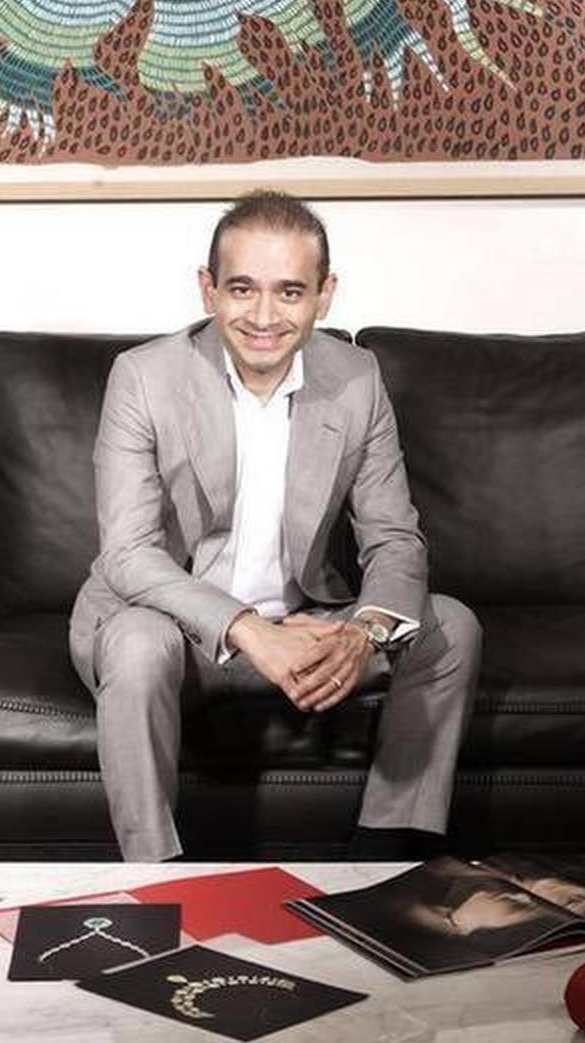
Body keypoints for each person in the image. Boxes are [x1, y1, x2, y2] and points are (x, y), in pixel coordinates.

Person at [68, 190, 482, 863]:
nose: (264, 316)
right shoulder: (143, 377)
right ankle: (158, 873)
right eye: (242, 289)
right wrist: (249, 631)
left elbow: (394, 539)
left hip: (301, 631)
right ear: (208, 290)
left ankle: (384, 858)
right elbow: (129, 555)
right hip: (175, 637)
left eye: (290, 292)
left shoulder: (357, 378)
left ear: (325, 296)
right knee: (138, 644)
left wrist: (362, 632)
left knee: (451, 628)